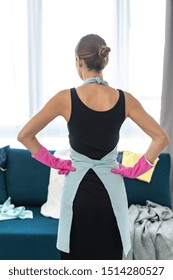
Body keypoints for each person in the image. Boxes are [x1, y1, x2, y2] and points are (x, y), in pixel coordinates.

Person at [17, 34, 170, 260]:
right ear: (104, 61)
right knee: (108, 262)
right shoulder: (125, 99)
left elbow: (25, 135)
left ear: (79, 61)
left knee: (76, 263)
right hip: (111, 195)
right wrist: (134, 170)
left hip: (77, 196)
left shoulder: (65, 98)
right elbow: (161, 138)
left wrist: (56, 162)